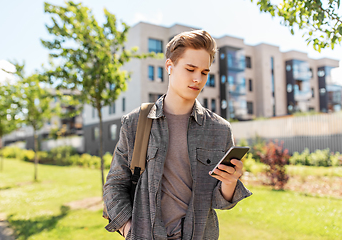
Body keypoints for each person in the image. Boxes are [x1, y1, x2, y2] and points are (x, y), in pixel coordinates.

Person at [103, 30, 252, 240]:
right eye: (190, 69)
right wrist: (129, 230)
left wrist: (230, 182)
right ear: (169, 67)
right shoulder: (136, 123)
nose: (197, 79)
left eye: (204, 72)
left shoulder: (220, 129)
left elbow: (220, 201)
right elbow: (115, 185)